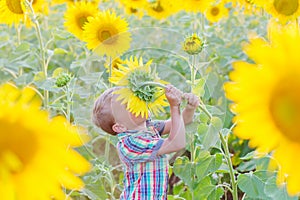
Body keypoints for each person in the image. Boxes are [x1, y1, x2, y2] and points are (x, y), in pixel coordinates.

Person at [92, 85, 199, 200]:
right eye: (128, 105)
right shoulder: (131, 144)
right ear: (120, 127)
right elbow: (176, 143)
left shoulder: (147, 127)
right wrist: (174, 106)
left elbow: (181, 122)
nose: (137, 103)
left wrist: (189, 108)